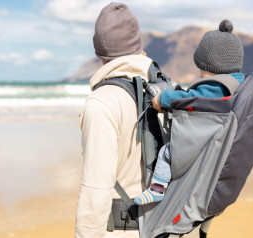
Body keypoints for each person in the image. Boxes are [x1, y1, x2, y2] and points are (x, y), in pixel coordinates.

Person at [134, 19, 245, 205]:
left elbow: (187, 98)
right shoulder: (237, 84)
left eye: (201, 69)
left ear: (210, 68)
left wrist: (161, 99)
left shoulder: (215, 87)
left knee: (166, 153)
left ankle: (157, 189)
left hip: (201, 140)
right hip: (218, 138)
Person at [75, 3, 153, 238]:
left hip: (122, 230)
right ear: (138, 45)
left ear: (99, 50)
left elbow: (96, 186)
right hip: (160, 224)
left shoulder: (102, 102)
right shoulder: (161, 89)